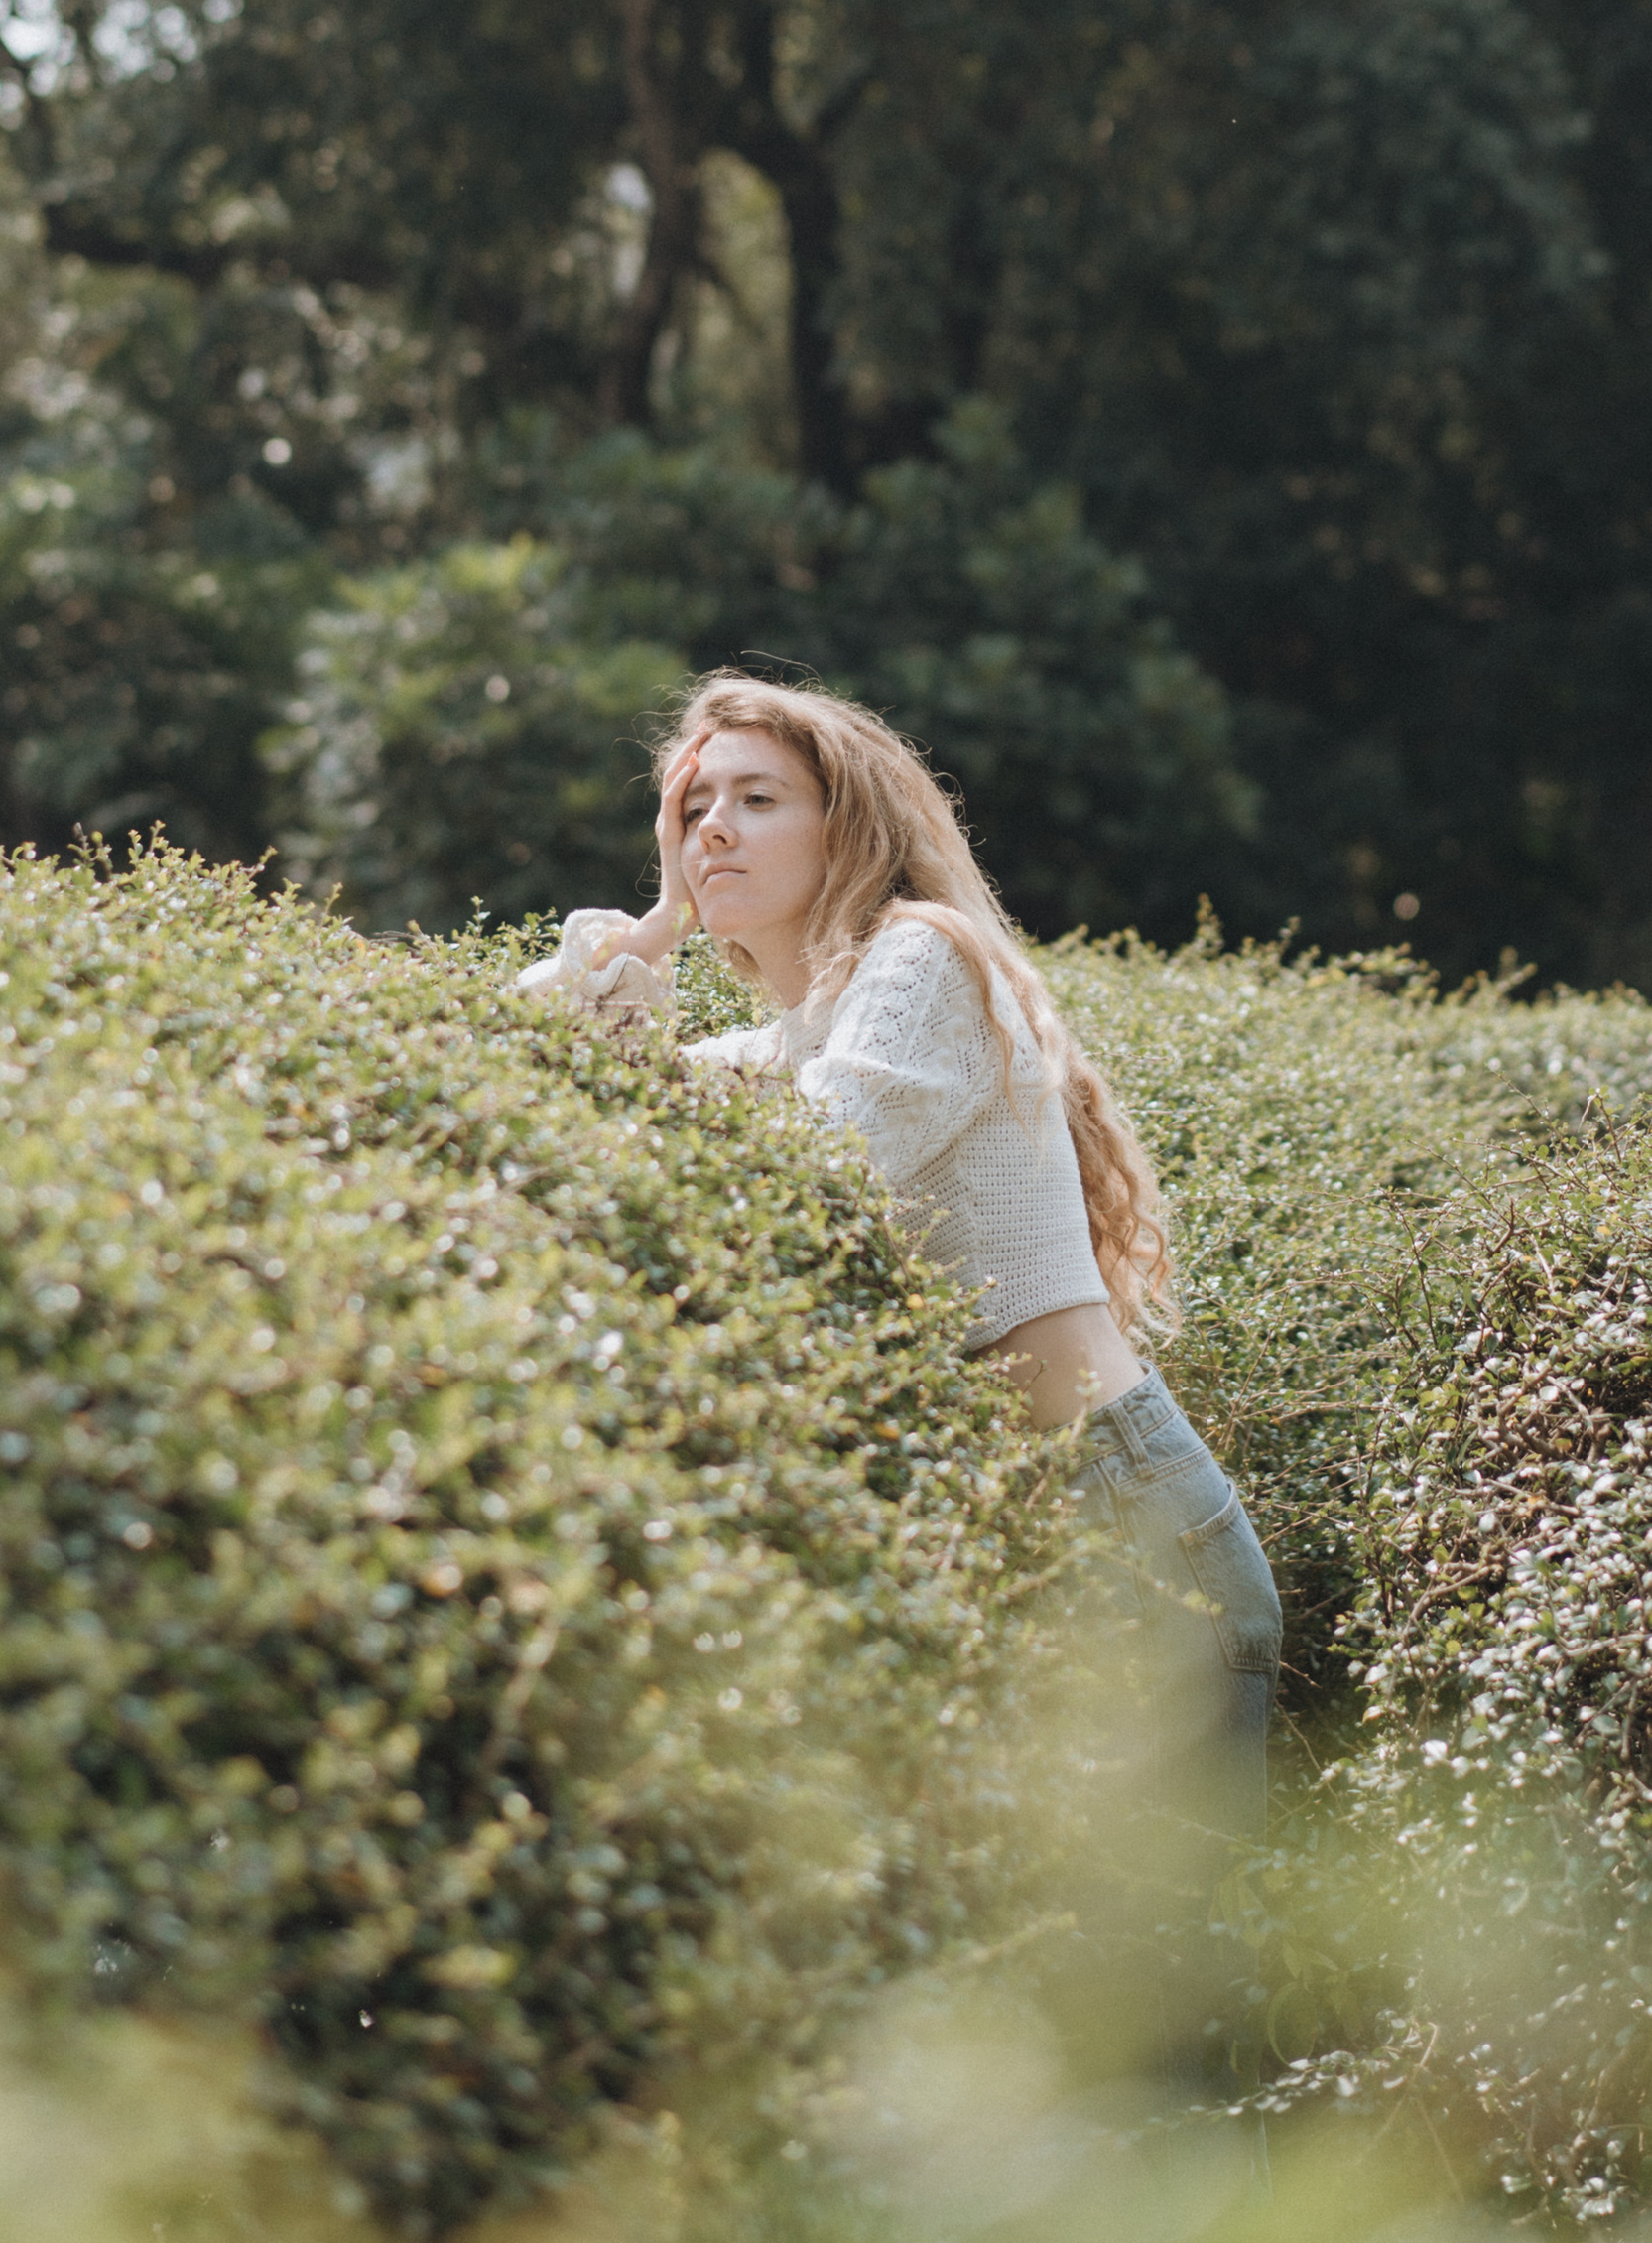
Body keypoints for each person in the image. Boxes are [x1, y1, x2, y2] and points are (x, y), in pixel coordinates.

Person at [516, 672, 1282, 1829]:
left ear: (849, 827)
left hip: (1112, 1518)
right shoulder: (798, 1039)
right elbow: (542, 1079)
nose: (713, 825)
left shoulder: (920, 958)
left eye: (759, 798)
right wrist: (660, 924)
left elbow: (802, 1179)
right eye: (691, 808)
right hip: (1018, 1526)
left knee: (1150, 1975)